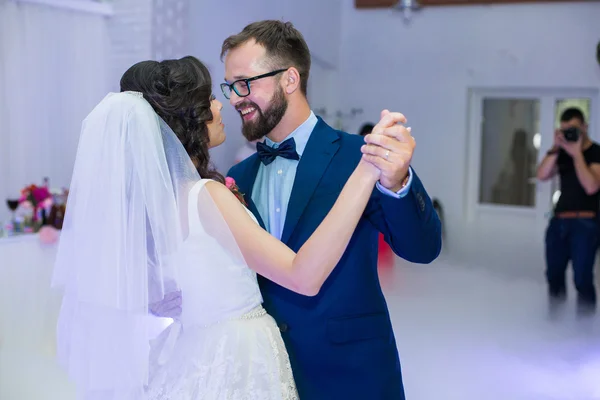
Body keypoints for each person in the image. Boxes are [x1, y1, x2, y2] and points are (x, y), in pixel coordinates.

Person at [50, 55, 401, 399]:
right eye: (210, 100)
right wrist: (366, 170)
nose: (222, 106)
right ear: (190, 118)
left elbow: (157, 298)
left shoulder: (158, 206)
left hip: (192, 350)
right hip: (238, 355)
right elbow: (302, 275)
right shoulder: (208, 196)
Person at [221, 20, 442, 399]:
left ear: (289, 80)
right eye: (230, 87)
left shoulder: (361, 156)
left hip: (352, 372)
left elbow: (422, 249)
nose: (235, 98)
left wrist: (399, 181)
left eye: (245, 84)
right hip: (267, 372)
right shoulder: (239, 176)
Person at [536, 107, 600, 316]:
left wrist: (577, 154)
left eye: (573, 129)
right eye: (565, 130)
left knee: (582, 278)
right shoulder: (561, 152)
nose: (569, 134)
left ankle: (584, 330)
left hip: (586, 223)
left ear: (585, 127)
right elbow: (542, 174)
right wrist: (556, 147)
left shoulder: (596, 152)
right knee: (553, 275)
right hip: (559, 221)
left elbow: (591, 186)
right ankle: (556, 325)